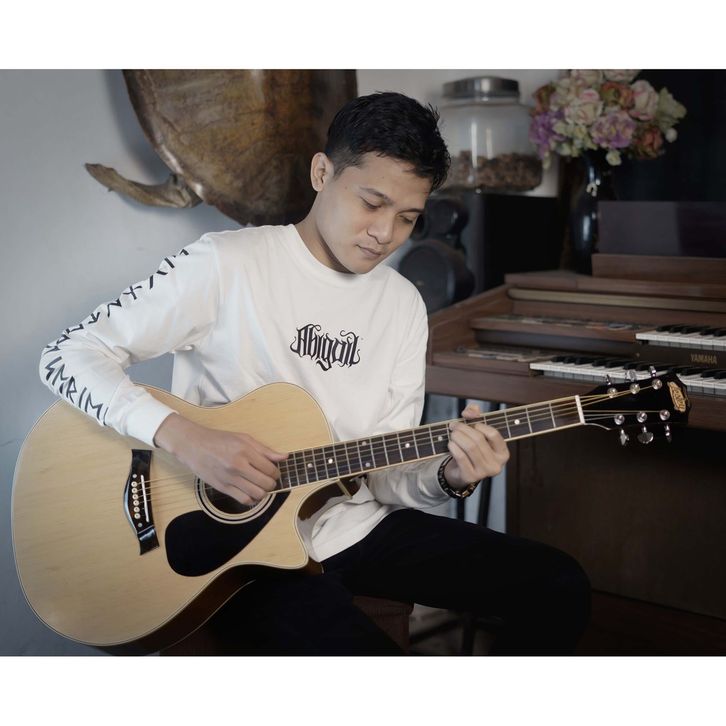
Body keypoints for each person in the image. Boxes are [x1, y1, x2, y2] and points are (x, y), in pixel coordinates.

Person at [40, 90, 590, 655]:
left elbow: (386, 475)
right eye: (371, 203)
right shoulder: (227, 263)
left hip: (354, 527)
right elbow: (67, 355)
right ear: (322, 173)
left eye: (408, 218)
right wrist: (185, 437)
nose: (385, 233)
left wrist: (450, 474)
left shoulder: (403, 304)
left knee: (558, 585)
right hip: (238, 547)